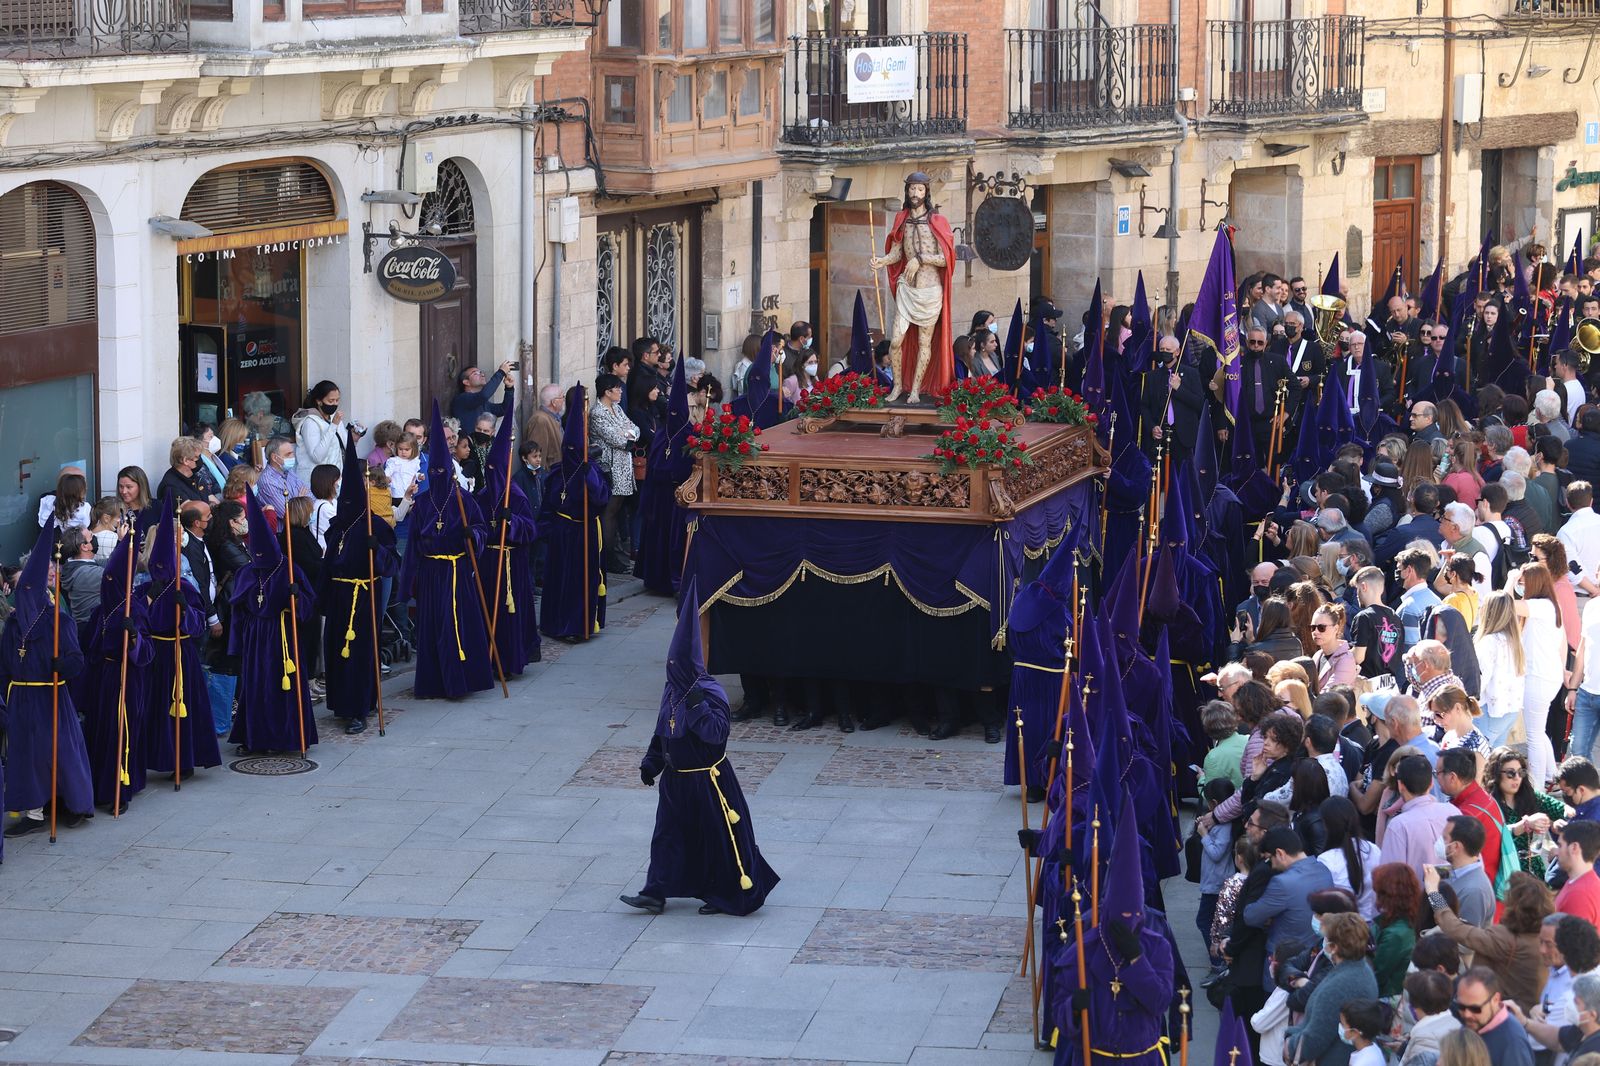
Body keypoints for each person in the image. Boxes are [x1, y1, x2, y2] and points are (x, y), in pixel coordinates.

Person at [619, 583, 779, 916]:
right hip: (676, 782)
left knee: (717, 841)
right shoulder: (672, 689)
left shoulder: (709, 693)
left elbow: (717, 734)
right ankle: (654, 892)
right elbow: (663, 729)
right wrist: (651, 763)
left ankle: (730, 895)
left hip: (708, 783)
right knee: (667, 837)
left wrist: (697, 707)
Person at [1050, 793, 1175, 1066]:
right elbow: (1059, 1010)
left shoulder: (1156, 946)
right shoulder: (1084, 946)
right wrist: (1073, 1009)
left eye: (1135, 915)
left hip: (1141, 1059)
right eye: (1122, 915)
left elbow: (1160, 1001)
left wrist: (1136, 960)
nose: (1129, 920)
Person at [1, 517, 95, 837]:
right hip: (22, 699)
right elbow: (4, 666)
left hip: (51, 695)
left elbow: (76, 661)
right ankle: (35, 812)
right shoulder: (13, 627)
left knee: (61, 752)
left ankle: (73, 803)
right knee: (27, 756)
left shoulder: (60, 622)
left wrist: (61, 666)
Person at [399, 403, 494, 699]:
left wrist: (473, 535)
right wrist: (407, 583)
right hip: (431, 574)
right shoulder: (424, 504)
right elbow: (413, 545)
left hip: (458, 571)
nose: (439, 475)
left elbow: (481, 529)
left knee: (459, 623)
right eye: (435, 471)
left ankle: (462, 680)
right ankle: (435, 681)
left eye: (444, 470)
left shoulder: (464, 500)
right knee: (434, 626)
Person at [319, 434, 399, 735]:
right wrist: (322, 597)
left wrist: (376, 548)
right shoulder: (336, 527)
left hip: (364, 595)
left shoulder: (375, 525)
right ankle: (341, 703)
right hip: (340, 597)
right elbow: (328, 564)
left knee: (360, 653)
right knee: (337, 652)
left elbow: (392, 565)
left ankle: (359, 708)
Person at [227, 488, 317, 755]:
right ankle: (254, 737)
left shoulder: (288, 567)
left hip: (282, 633)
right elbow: (239, 611)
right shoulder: (246, 572)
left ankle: (289, 736)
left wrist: (296, 598)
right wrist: (237, 644)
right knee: (256, 686)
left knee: (283, 684)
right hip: (256, 637)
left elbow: (309, 605)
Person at [140, 498, 221, 782]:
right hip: (157, 654)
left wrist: (184, 608)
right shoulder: (145, 588)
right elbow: (140, 621)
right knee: (158, 706)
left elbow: (197, 623)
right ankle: (160, 756)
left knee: (186, 704)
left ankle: (186, 758)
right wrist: (150, 600)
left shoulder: (184, 586)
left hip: (182, 651)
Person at [869, 172, 956, 403]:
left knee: (924, 343)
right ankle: (898, 386)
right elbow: (897, 252)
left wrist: (921, 259)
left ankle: (916, 389)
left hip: (930, 291)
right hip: (907, 290)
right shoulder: (902, 220)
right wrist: (882, 261)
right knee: (896, 341)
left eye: (919, 189)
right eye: (911, 189)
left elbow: (946, 258)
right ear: (907, 191)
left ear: (926, 192)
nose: (915, 194)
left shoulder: (937, 222)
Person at [538, 386, 610, 642]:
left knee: (579, 581)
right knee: (558, 580)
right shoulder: (557, 474)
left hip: (583, 531)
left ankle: (577, 625)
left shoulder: (592, 473)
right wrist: (547, 531)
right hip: (561, 533)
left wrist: (589, 474)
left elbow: (601, 499)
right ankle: (554, 623)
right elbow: (547, 505)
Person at [475, 399, 541, 679]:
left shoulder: (516, 495)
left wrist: (510, 521)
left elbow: (530, 530)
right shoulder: (481, 496)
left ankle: (511, 659)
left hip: (511, 561)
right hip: (489, 562)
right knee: (488, 610)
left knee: (508, 612)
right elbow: (476, 525)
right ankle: (489, 659)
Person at [1244, 825, 1336, 988]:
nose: (1271, 866)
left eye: (1269, 859)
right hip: (1314, 957)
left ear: (1279, 853)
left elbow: (1251, 916)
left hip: (1283, 960)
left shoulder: (1282, 882)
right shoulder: (1323, 870)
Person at [1283, 911, 1379, 1066]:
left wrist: (1290, 1045)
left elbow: (1316, 1037)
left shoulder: (1342, 984)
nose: (1323, 943)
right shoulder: (1360, 969)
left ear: (1334, 947)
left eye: (1326, 939)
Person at [1517, 561, 1568, 788]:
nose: (1520, 584)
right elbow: (1563, 643)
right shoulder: (1550, 606)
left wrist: (1509, 580)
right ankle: (1551, 776)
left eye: (1523, 581)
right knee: (1539, 729)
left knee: (1534, 735)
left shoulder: (1540, 605)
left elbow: (1506, 603)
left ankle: (1537, 789)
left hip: (1538, 677)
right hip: (1548, 676)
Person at [1486, 746, 1569, 881]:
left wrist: (1562, 820)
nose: (1517, 778)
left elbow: (1561, 809)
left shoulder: (1530, 796)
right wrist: (1524, 825)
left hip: (1533, 870)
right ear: (1496, 774)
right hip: (1504, 873)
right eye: (1510, 773)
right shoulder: (1488, 804)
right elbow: (1490, 837)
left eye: (1521, 772)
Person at [590, 372, 640, 575]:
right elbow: (618, 439)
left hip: (623, 466)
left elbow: (634, 430)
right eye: (617, 388)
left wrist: (628, 434)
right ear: (607, 392)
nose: (620, 391)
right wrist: (627, 435)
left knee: (617, 510)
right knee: (609, 512)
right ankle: (606, 556)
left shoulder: (617, 408)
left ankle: (614, 554)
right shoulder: (598, 413)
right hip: (609, 467)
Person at [1381, 753, 1456, 883]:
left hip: (1420, 900)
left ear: (1400, 786)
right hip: (1452, 897)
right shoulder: (1453, 812)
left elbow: (1390, 881)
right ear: (1431, 783)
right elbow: (1469, 864)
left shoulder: (1399, 826)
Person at [1451, 966, 1538, 1066]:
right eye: (1461, 1006)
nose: (1466, 1014)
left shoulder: (1513, 1042)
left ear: (1495, 1000)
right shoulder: (1476, 1022)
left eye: (1475, 1009)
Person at [1476, 591, 1528, 748]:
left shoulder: (1488, 642)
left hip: (1490, 711)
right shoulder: (1515, 640)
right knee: (1495, 761)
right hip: (1510, 710)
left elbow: (1480, 681)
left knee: (1479, 757)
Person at [1319, 796, 1381, 918]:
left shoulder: (1325, 859)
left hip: (1342, 927)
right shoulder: (1373, 849)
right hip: (1373, 923)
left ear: (1326, 826)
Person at [1369, 862, 1420, 996]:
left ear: (1388, 895)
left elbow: (1377, 975)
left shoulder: (1396, 934)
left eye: (1378, 892)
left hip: (1385, 998)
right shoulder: (1398, 920)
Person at [292, 380, 350, 471]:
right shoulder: (310, 422)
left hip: (335, 477)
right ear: (319, 401)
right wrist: (333, 426)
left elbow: (346, 445)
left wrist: (354, 437)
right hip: (315, 479)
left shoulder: (334, 417)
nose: (334, 404)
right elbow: (317, 457)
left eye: (337, 400)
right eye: (331, 401)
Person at [1556, 819, 1600, 923]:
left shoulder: (1579, 895)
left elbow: (1573, 939)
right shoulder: (1583, 883)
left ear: (1574, 848)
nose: (1557, 852)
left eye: (1560, 845)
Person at [257, 436, 310, 518]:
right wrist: (300, 501)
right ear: (275, 458)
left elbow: (310, 495)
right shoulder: (267, 482)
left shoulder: (288, 471)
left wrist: (300, 501)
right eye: (288, 454)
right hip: (285, 529)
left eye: (293, 453)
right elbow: (288, 515)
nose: (293, 457)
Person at [451, 359, 515, 426]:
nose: (482, 375)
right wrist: (501, 372)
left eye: (481, 372)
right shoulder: (462, 399)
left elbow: (504, 409)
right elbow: (484, 395)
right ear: (466, 382)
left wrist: (509, 388)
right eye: (476, 373)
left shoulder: (484, 403)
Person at [1310, 602, 1357, 689]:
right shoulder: (1317, 655)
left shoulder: (1346, 659)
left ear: (1336, 628)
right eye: (1313, 627)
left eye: (1321, 628)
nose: (1316, 632)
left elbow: (1330, 696)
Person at [159, 436, 216, 505]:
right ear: (186, 461)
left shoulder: (196, 477)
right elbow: (194, 511)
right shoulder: (171, 486)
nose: (200, 460)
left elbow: (212, 499)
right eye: (197, 457)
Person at [526, 384, 564, 472]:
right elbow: (536, 454)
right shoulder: (540, 420)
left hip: (555, 473)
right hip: (548, 476)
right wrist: (540, 478)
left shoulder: (553, 417)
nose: (564, 400)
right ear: (554, 402)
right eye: (562, 397)